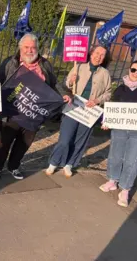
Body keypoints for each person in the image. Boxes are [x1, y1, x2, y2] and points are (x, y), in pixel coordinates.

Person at [0, 33, 72, 182]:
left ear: (37, 49)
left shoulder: (45, 64)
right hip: (12, 111)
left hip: (34, 113)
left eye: (33, 47)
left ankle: (14, 166)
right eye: (26, 47)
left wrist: (63, 94)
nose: (30, 50)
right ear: (20, 48)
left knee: (24, 143)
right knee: (4, 141)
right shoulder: (11, 62)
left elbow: (54, 83)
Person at [46, 44, 112, 177]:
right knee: (65, 138)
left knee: (80, 140)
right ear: (91, 53)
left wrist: (97, 100)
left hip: (90, 112)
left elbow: (108, 93)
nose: (98, 57)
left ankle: (69, 164)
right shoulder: (79, 67)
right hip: (74, 107)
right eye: (96, 53)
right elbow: (66, 84)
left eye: (102, 55)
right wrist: (71, 81)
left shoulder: (105, 74)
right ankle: (54, 162)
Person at [99, 61, 137, 207]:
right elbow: (113, 107)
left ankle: (125, 189)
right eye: (133, 70)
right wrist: (106, 120)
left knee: (132, 161)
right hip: (119, 128)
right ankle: (112, 180)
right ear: (129, 70)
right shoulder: (120, 88)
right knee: (115, 155)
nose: (135, 73)